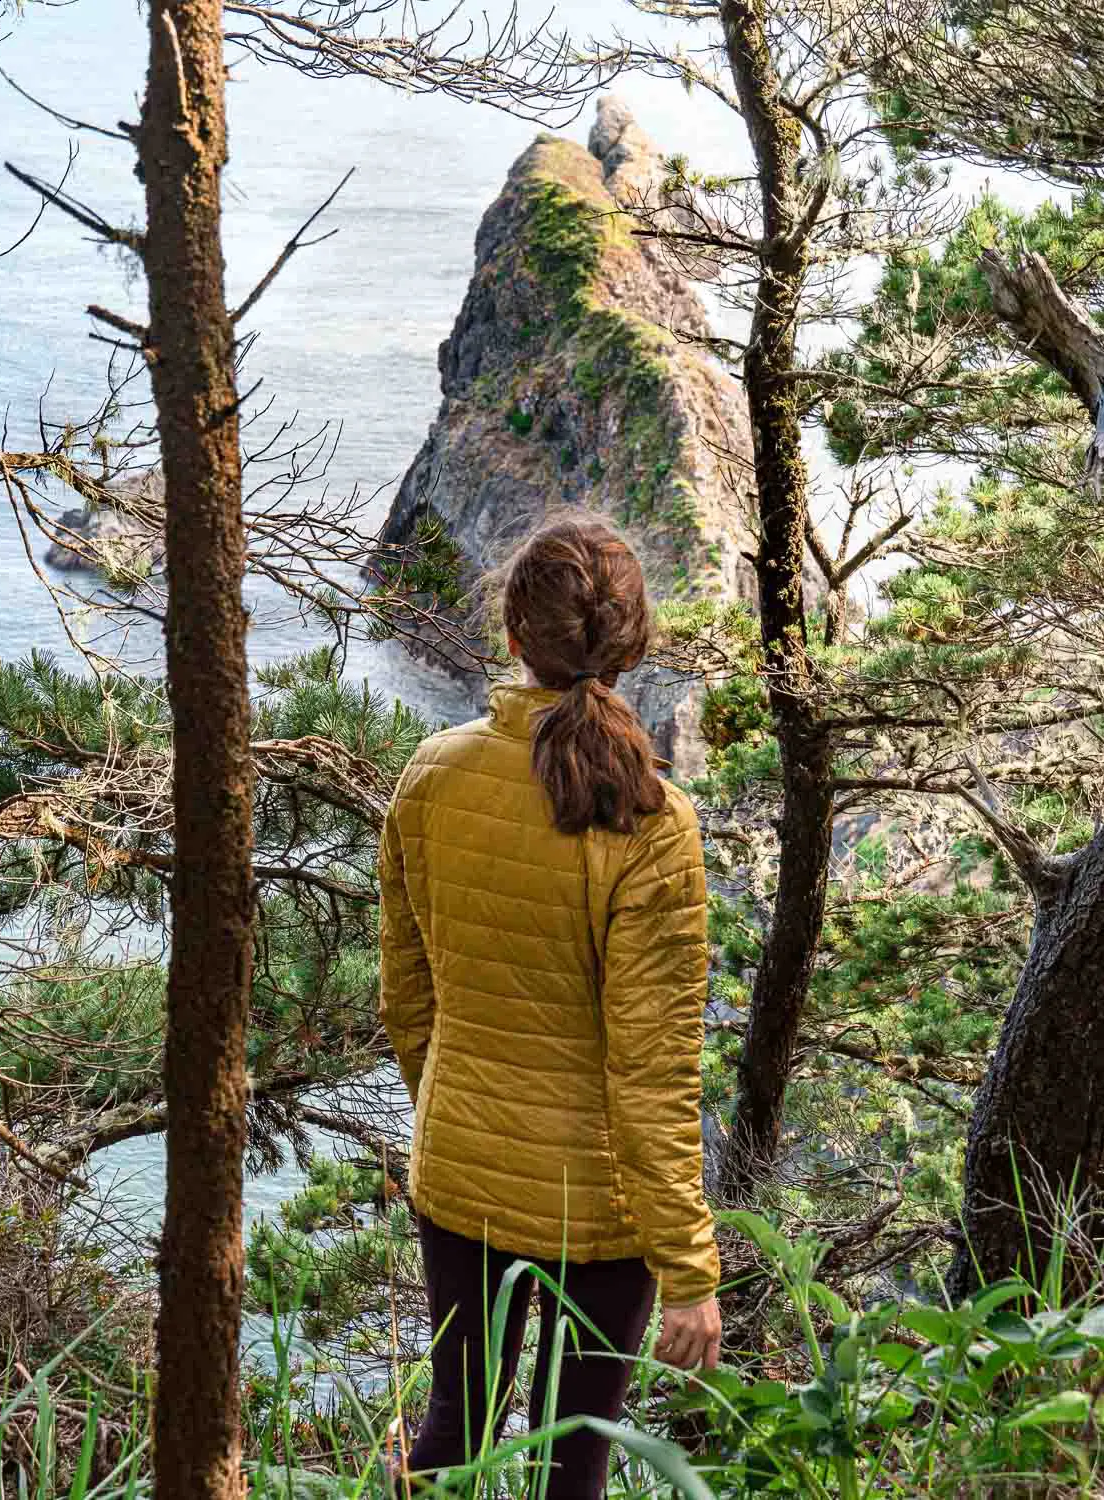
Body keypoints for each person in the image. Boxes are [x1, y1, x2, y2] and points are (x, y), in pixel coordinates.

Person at [378, 516, 722, 1497]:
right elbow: (652, 1073)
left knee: (455, 1431)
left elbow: (410, 1001)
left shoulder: (433, 776)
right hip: (602, 1212)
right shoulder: (654, 823)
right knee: (572, 1465)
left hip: (461, 1170)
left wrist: (456, 1108)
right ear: (631, 645)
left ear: (514, 633)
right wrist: (688, 1267)